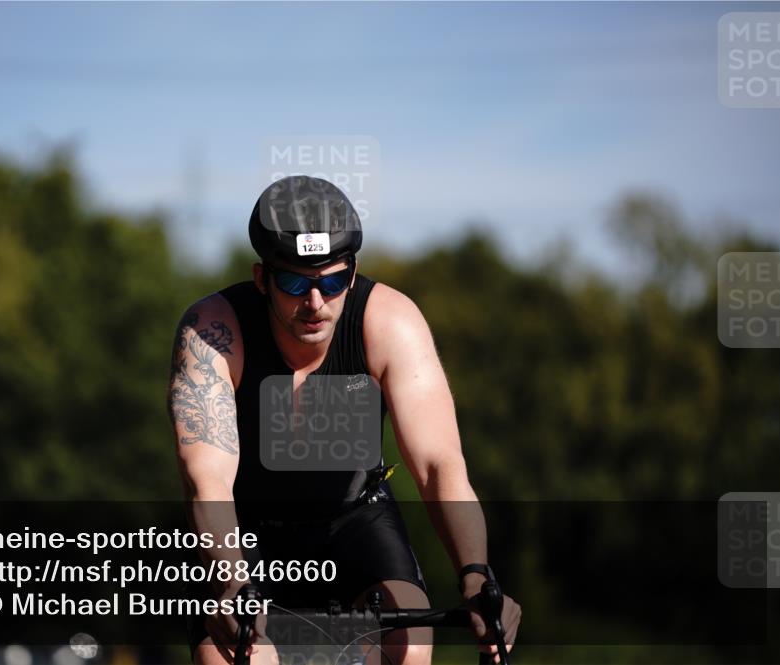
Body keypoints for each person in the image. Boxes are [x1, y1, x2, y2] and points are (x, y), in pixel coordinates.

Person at [168, 175, 521, 665]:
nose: (315, 303)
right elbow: (206, 481)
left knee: (411, 643)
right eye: (294, 282)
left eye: (332, 282)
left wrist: (477, 575)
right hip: (247, 527)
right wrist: (229, 581)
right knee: (231, 656)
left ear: (352, 275)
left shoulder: (389, 321)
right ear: (261, 278)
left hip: (354, 518)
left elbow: (440, 465)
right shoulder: (213, 332)